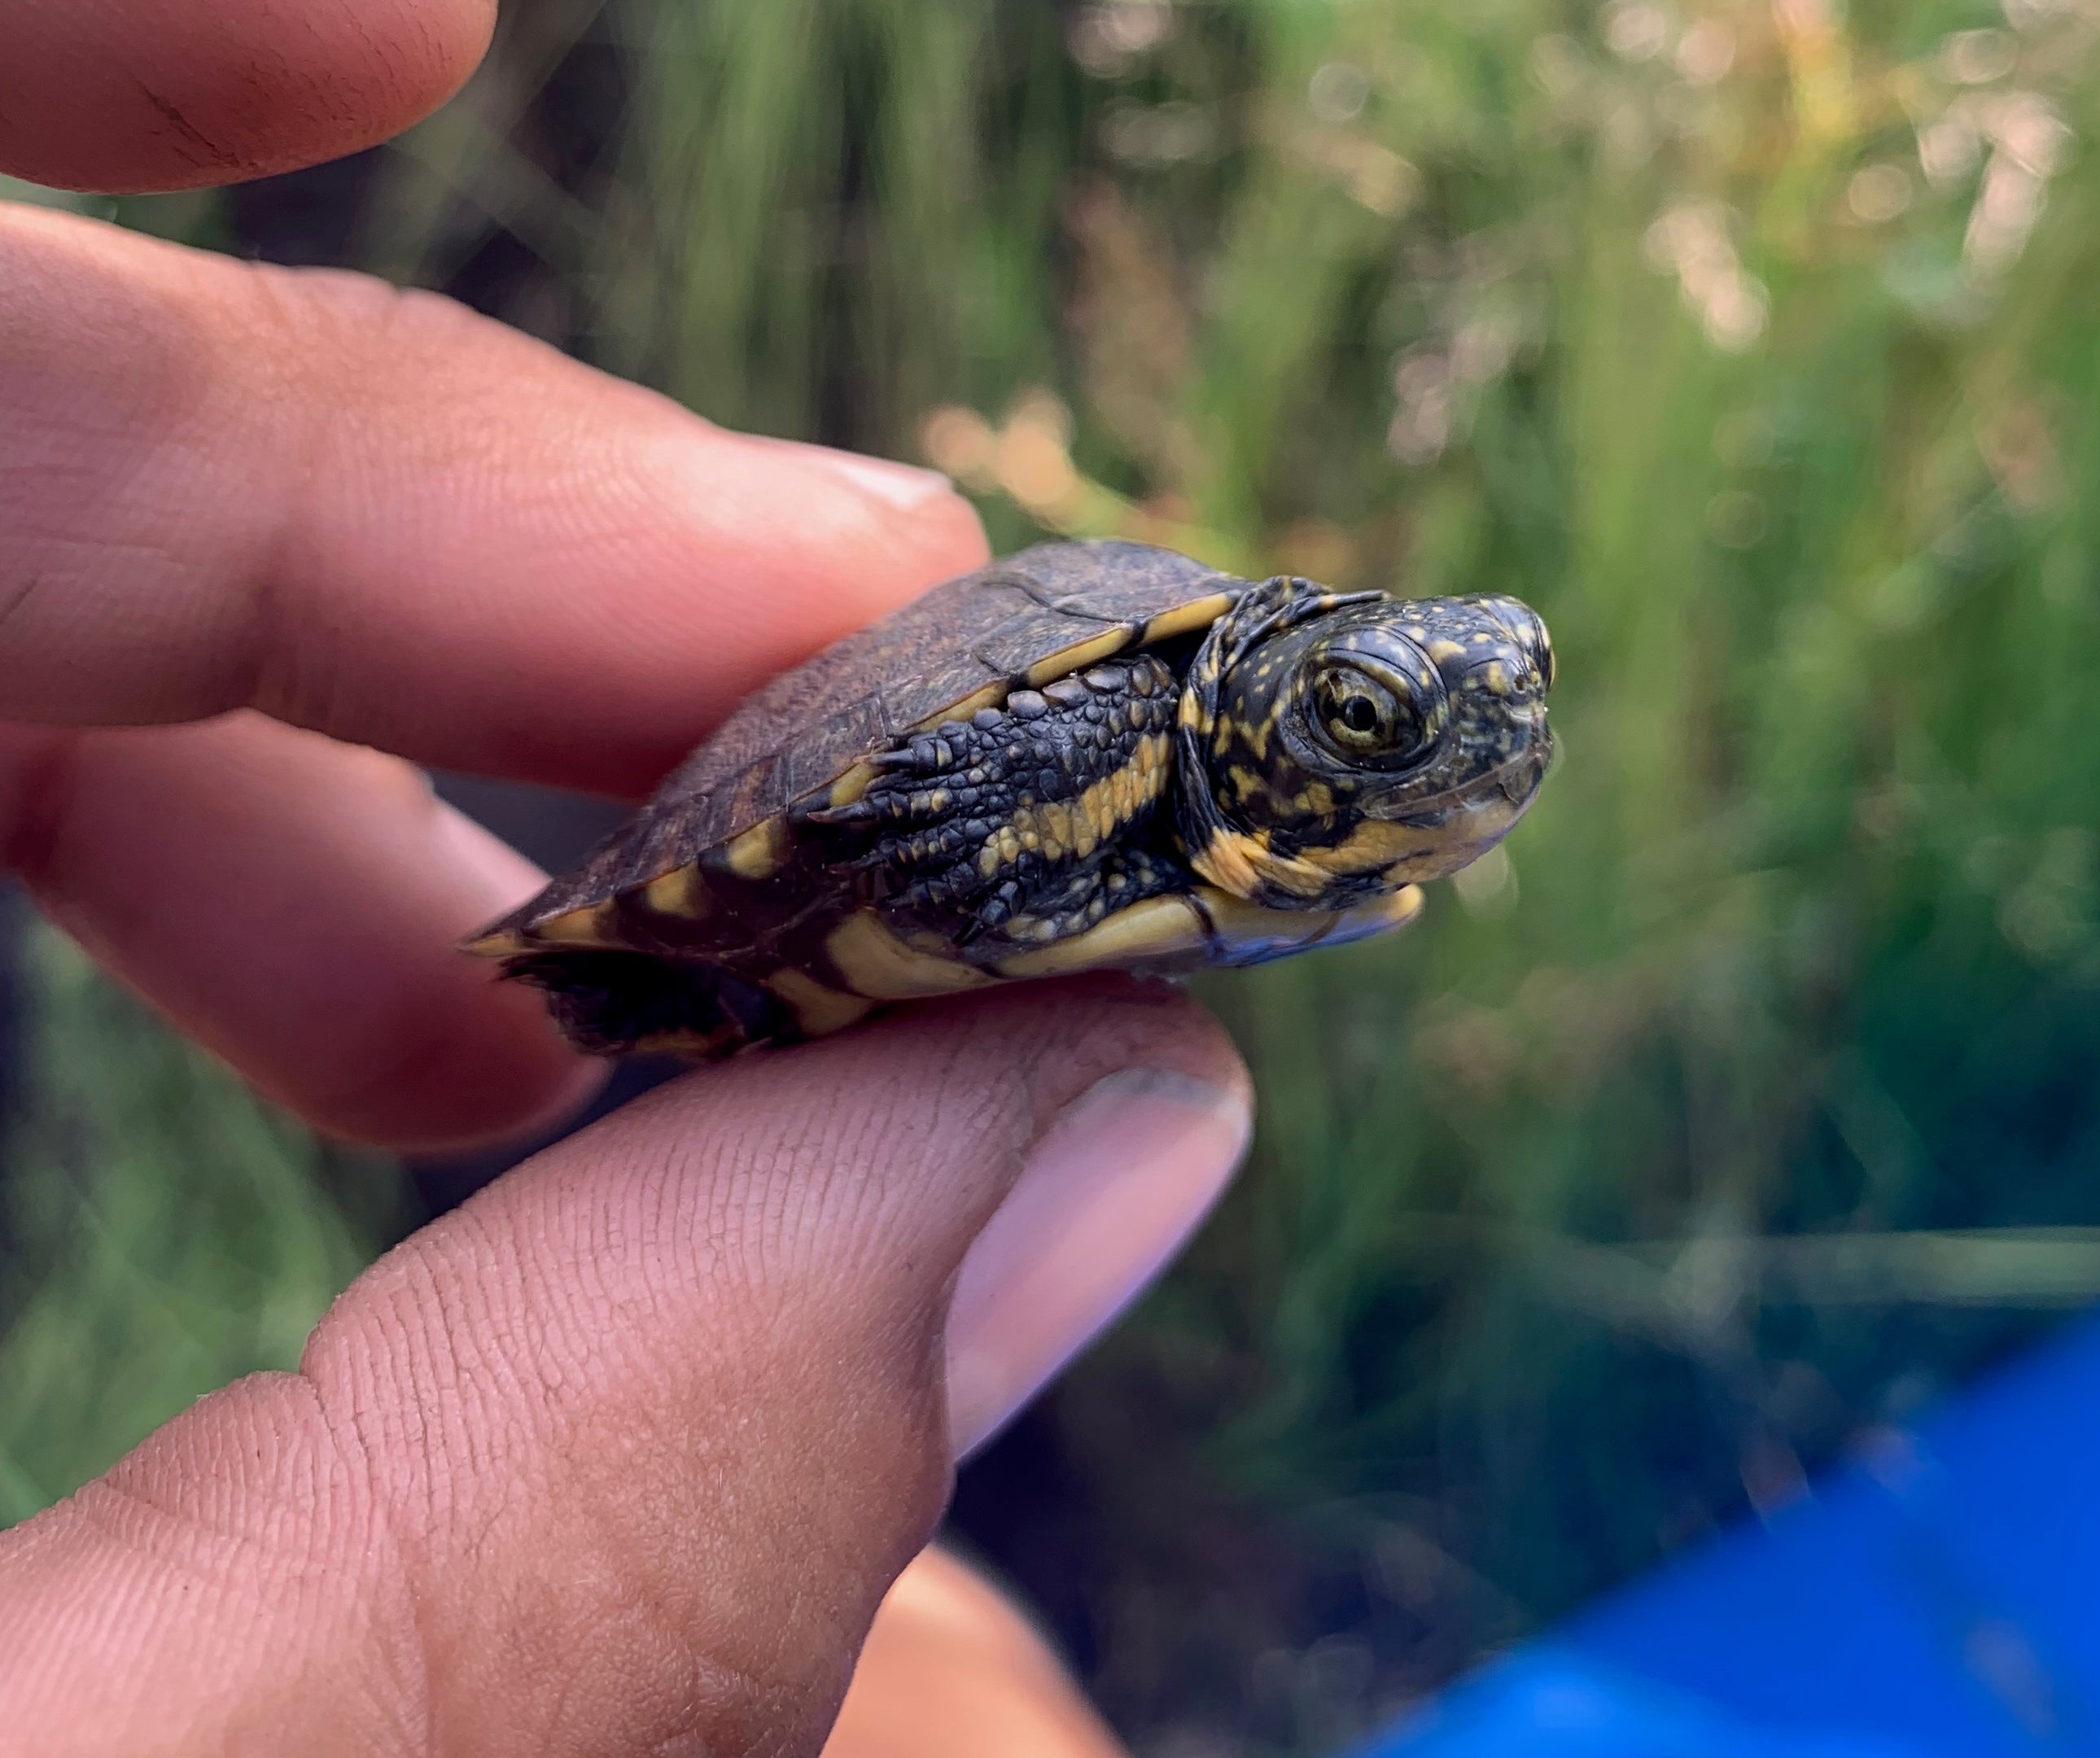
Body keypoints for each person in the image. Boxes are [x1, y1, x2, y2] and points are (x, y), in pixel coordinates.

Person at [0, 6, 1252, 1753]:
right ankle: (921, 1507)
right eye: (1359, 717)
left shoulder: (1311, 817)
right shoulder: (1132, 717)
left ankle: (900, 1495)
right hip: (798, 917)